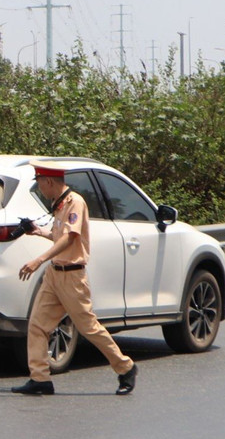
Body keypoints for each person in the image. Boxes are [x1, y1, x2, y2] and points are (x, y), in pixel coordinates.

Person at [13, 162, 138, 396]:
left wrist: (38, 260)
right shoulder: (59, 204)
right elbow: (59, 235)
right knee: (38, 325)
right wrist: (39, 231)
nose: (40, 189)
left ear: (49, 181)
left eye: (40, 184)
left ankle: (126, 367)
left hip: (72, 276)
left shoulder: (75, 203)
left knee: (88, 327)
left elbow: (70, 238)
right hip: (54, 273)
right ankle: (40, 379)